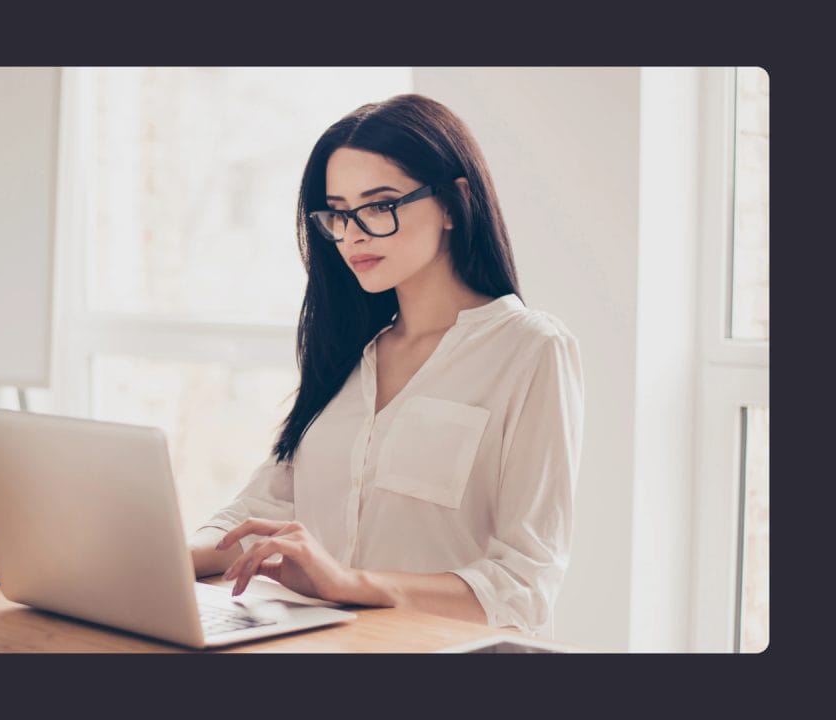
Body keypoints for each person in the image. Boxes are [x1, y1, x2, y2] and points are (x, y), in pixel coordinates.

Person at [187, 94, 584, 636]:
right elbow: (260, 511)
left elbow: (524, 587)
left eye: (379, 206)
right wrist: (153, 559)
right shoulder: (349, 349)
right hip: (313, 651)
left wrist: (352, 583)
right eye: (338, 212)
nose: (351, 234)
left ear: (452, 202)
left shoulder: (530, 350)